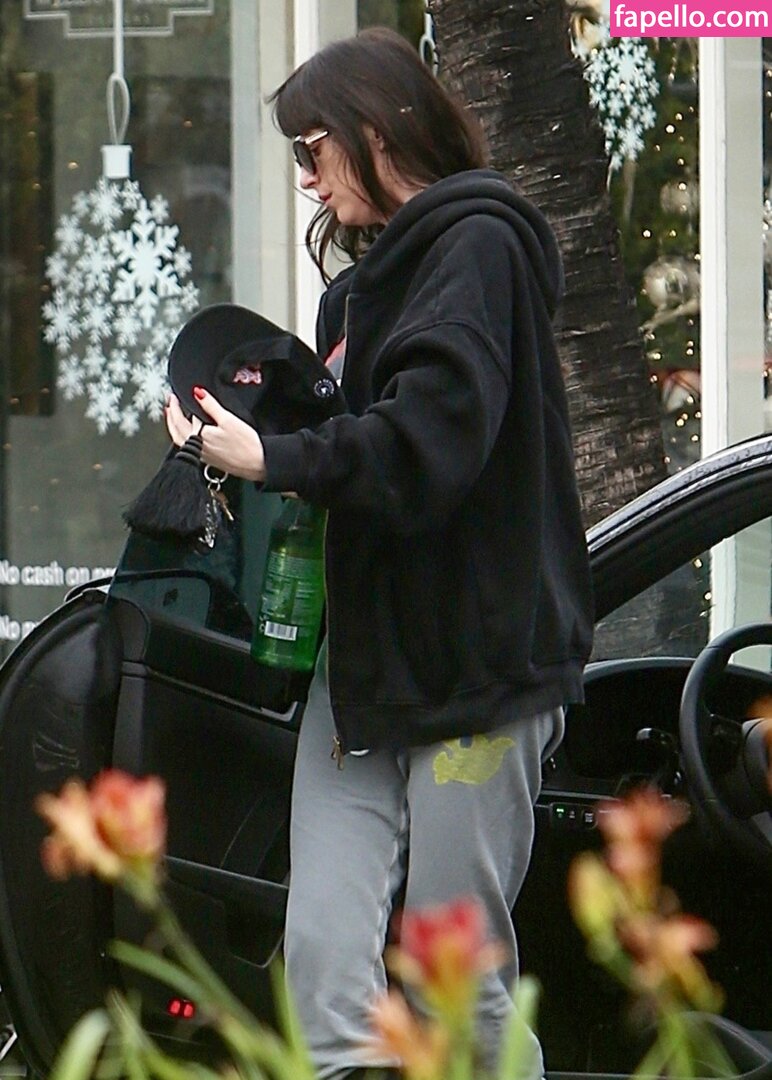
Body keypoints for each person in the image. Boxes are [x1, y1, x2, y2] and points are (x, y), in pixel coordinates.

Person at [165, 27, 593, 1080]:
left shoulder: (481, 246)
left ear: (378, 130)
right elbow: (355, 456)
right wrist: (248, 432)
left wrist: (274, 457)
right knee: (322, 966)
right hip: (360, 669)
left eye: (313, 149)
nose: (306, 179)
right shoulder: (357, 291)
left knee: (457, 987)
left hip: (477, 673)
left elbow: (429, 441)